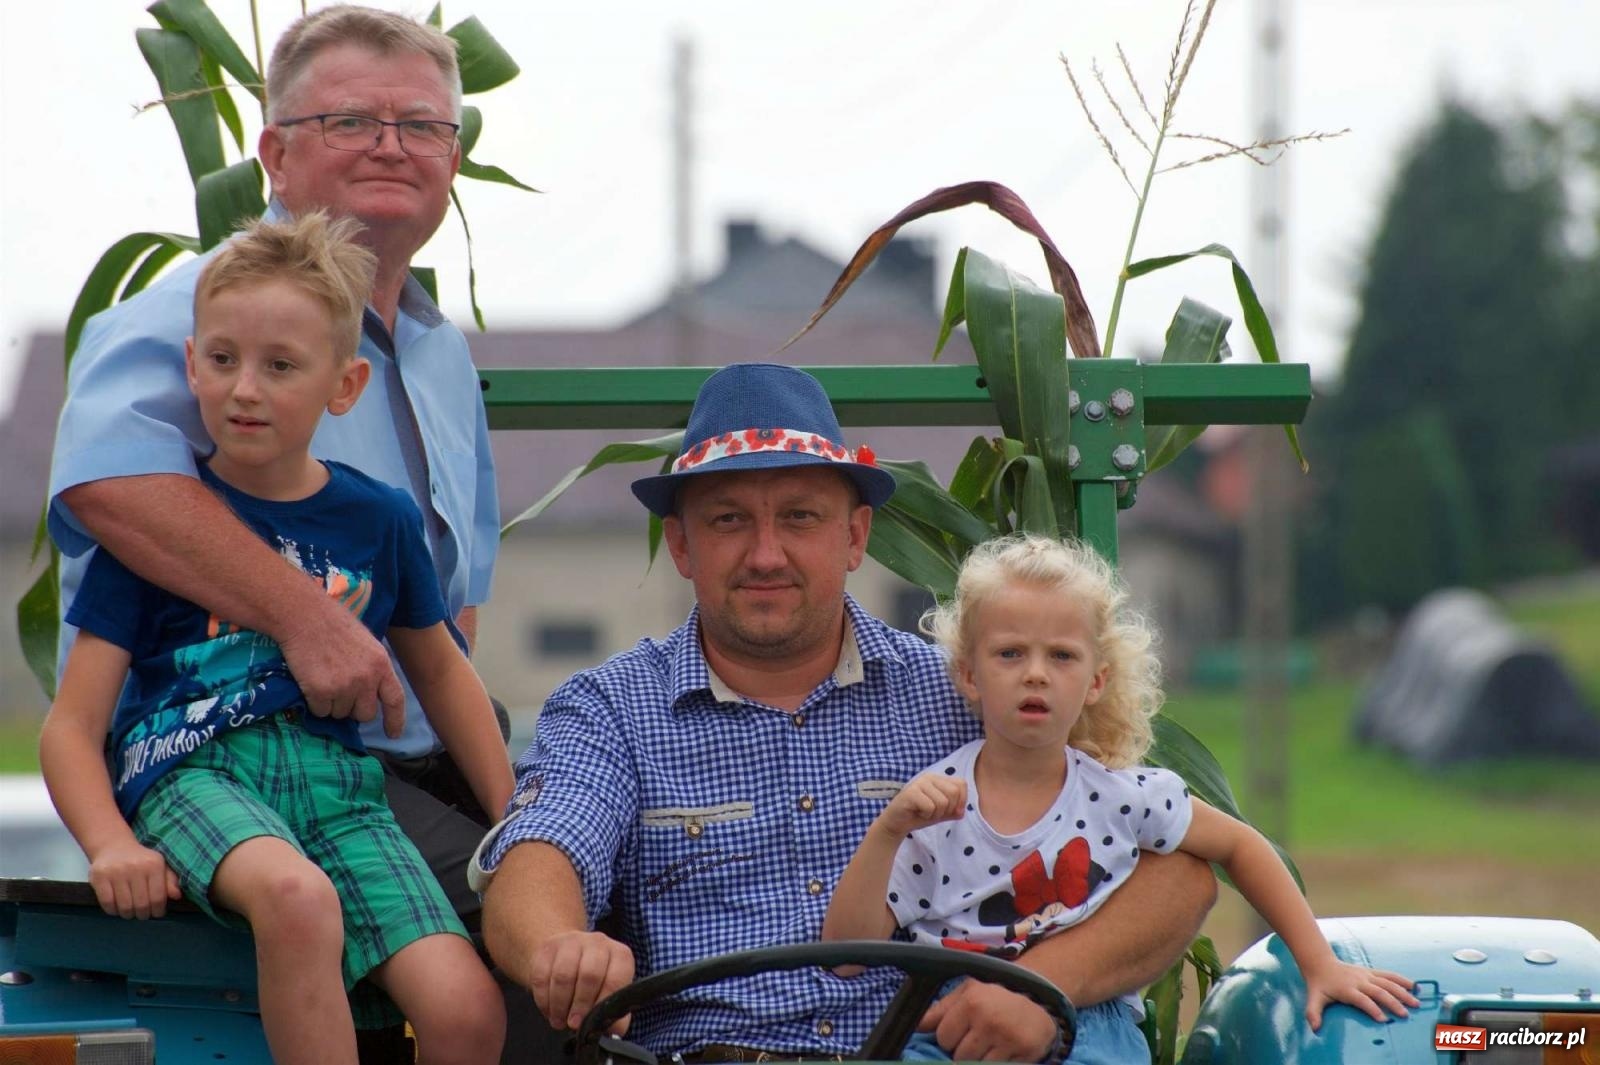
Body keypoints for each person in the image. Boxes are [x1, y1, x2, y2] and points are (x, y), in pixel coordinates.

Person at [475, 363, 1218, 1064]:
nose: (766, 554)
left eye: (800, 517)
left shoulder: (968, 692)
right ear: (682, 544)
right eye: (729, 520)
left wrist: (1040, 985)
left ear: (855, 535)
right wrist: (560, 948)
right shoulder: (611, 709)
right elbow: (536, 859)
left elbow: (1178, 870)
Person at [46, 4, 501, 925]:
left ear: (451, 162)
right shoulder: (194, 311)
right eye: (351, 121)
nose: (391, 146)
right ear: (275, 156)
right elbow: (110, 484)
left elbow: (456, 602)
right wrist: (308, 616)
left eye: (422, 126)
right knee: (544, 924)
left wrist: (506, 801)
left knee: (627, 870)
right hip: (236, 766)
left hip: (414, 769)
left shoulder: (442, 352)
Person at [38, 212, 510, 1065]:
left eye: (280, 366)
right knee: (297, 898)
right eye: (223, 360)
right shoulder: (164, 534)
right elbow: (73, 724)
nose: (244, 389)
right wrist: (110, 842)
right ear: (191, 365)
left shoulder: (378, 518)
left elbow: (443, 672)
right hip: (193, 769)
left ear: (345, 384)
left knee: (467, 1007)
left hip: (342, 789)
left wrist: (517, 821)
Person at [822, 535, 1421, 1063]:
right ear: (969, 676)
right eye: (1010, 653)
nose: (1036, 673)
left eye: (1062, 656)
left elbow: (1241, 846)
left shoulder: (1123, 796)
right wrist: (888, 831)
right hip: (952, 1026)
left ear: (1096, 681)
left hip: (1092, 1022)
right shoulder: (936, 806)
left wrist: (1320, 963)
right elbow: (845, 955)